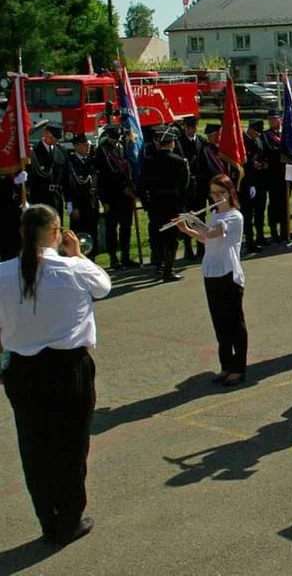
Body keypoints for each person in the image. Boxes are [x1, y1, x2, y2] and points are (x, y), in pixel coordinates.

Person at [0, 205, 110, 545]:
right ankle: (70, 516)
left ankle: (48, 519)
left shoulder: (3, 273)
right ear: (55, 231)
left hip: (23, 369)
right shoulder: (74, 269)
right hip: (68, 369)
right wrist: (77, 256)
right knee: (71, 447)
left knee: (34, 448)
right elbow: (104, 286)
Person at [177, 175, 248, 386]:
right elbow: (206, 238)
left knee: (235, 322)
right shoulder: (215, 214)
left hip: (229, 273)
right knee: (220, 323)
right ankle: (226, 366)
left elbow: (214, 233)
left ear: (230, 193)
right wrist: (187, 230)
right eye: (213, 193)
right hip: (212, 272)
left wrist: (196, 222)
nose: (216, 197)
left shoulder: (234, 216)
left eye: (220, 193)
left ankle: (239, 368)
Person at [142, 127, 190, 281]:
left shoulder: (149, 161)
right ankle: (168, 270)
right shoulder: (180, 161)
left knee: (157, 235)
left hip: (155, 204)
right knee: (171, 237)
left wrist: (146, 203)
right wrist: (183, 206)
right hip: (173, 205)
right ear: (172, 143)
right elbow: (185, 186)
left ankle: (158, 266)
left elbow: (141, 185)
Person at [94, 126, 138, 269]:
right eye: (113, 137)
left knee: (126, 227)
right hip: (111, 196)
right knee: (111, 228)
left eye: (118, 138)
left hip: (125, 196)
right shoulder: (102, 151)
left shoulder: (122, 147)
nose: (116, 140)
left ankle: (125, 256)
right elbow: (103, 178)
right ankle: (113, 258)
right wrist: (104, 200)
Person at [176, 115, 205, 260]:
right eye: (189, 127)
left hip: (199, 186)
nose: (192, 130)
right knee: (188, 217)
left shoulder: (201, 141)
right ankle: (188, 248)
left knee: (200, 216)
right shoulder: (179, 143)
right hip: (187, 187)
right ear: (185, 128)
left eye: (194, 127)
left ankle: (201, 246)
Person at [66, 134, 100, 257]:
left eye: (88, 145)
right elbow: (69, 185)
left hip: (91, 202)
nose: (88, 147)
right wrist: (72, 206)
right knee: (80, 233)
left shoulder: (90, 161)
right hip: (79, 204)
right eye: (85, 145)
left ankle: (92, 258)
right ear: (77, 146)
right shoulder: (71, 163)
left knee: (92, 232)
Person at [28, 123, 67, 225]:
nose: (55, 141)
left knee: (57, 228)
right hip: (40, 197)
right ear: (45, 134)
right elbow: (31, 177)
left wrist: (69, 200)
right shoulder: (34, 152)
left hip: (57, 197)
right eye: (52, 137)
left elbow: (66, 176)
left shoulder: (61, 151)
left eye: (56, 138)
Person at [261, 108, 289, 243]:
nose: (272, 121)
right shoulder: (266, 136)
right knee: (273, 205)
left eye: (274, 118)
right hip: (272, 176)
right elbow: (269, 152)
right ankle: (274, 231)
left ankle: (285, 230)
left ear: (280, 120)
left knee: (285, 204)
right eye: (270, 119)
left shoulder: (287, 134)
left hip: (286, 175)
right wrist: (281, 155)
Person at [241, 120, 269, 254]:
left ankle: (260, 236)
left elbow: (262, 155)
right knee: (248, 214)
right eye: (256, 132)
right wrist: (254, 166)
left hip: (260, 182)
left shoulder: (258, 140)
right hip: (247, 183)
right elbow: (243, 162)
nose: (258, 135)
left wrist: (263, 164)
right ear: (250, 129)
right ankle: (250, 241)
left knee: (259, 211)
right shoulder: (242, 141)